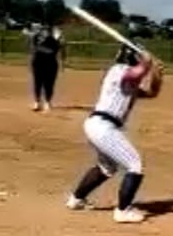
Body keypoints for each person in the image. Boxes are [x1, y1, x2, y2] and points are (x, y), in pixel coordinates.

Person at [66, 47, 164, 224]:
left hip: (100, 126)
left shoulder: (129, 82)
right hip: (103, 126)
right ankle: (123, 211)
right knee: (135, 164)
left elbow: (151, 93)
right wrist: (147, 62)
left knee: (107, 168)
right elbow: (136, 73)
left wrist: (157, 74)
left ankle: (76, 199)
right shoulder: (118, 70)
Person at [29, 24, 63, 112]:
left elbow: (54, 51)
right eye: (43, 30)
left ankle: (47, 102)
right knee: (38, 83)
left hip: (51, 64)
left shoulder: (53, 40)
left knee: (49, 84)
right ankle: (37, 102)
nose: (45, 32)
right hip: (38, 63)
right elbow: (35, 48)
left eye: (47, 30)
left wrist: (58, 40)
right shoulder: (36, 37)